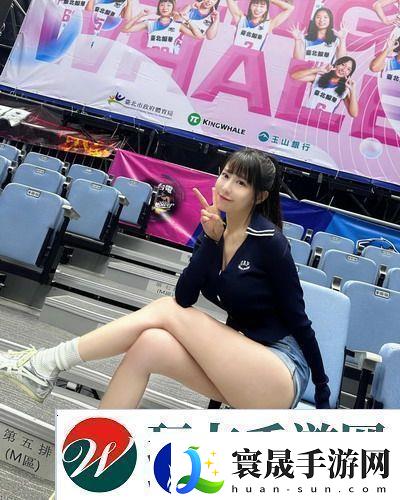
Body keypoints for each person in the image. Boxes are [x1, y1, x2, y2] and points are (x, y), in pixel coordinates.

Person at [0, 149, 331, 410]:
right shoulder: (214, 229)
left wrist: (322, 392)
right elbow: (185, 296)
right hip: (243, 366)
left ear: (259, 196)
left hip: (280, 371)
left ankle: (48, 362)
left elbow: (299, 321)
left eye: (241, 183)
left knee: (165, 310)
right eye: (226, 175)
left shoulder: (270, 243)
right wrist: (211, 241)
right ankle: (97, 461)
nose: (226, 187)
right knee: (149, 344)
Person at [122, 0, 202, 54]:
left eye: (168, 5)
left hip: (168, 60)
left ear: (172, 8)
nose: (165, 8)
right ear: (158, 8)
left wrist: (188, 19)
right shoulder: (150, 23)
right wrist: (140, 15)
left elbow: (199, 36)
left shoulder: (178, 25)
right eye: (162, 5)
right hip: (149, 58)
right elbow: (125, 29)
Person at [291, 56, 359, 117]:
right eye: (343, 65)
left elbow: (354, 114)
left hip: (323, 122)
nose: (344, 70)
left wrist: (352, 90)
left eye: (348, 69)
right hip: (306, 116)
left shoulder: (345, 89)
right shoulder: (318, 78)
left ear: (349, 74)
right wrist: (318, 69)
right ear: (336, 64)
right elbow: (294, 76)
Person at [226, 0, 294, 51]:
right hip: (235, 57)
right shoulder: (241, 19)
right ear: (250, 6)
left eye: (262, 6)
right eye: (255, 5)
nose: (258, 9)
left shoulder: (268, 25)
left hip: (253, 61)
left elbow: (290, 8)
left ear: (266, 9)